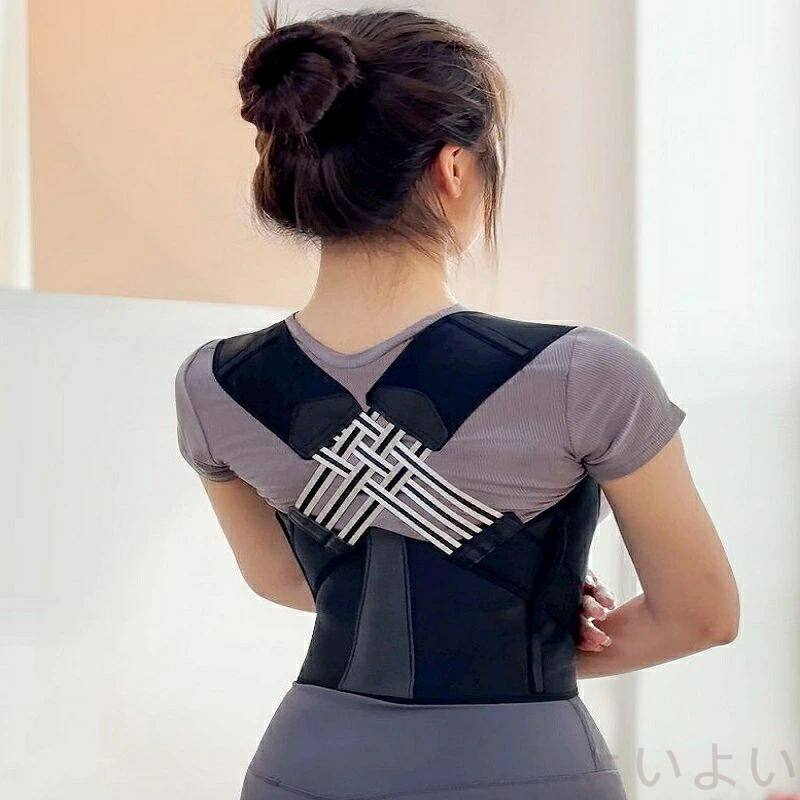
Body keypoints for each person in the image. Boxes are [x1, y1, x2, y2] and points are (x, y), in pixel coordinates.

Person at [174, 6, 739, 799]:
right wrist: (512, 626)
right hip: (522, 766)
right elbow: (701, 614)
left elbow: (283, 579)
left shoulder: (211, 383)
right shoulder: (584, 371)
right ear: (453, 168)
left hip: (307, 765)